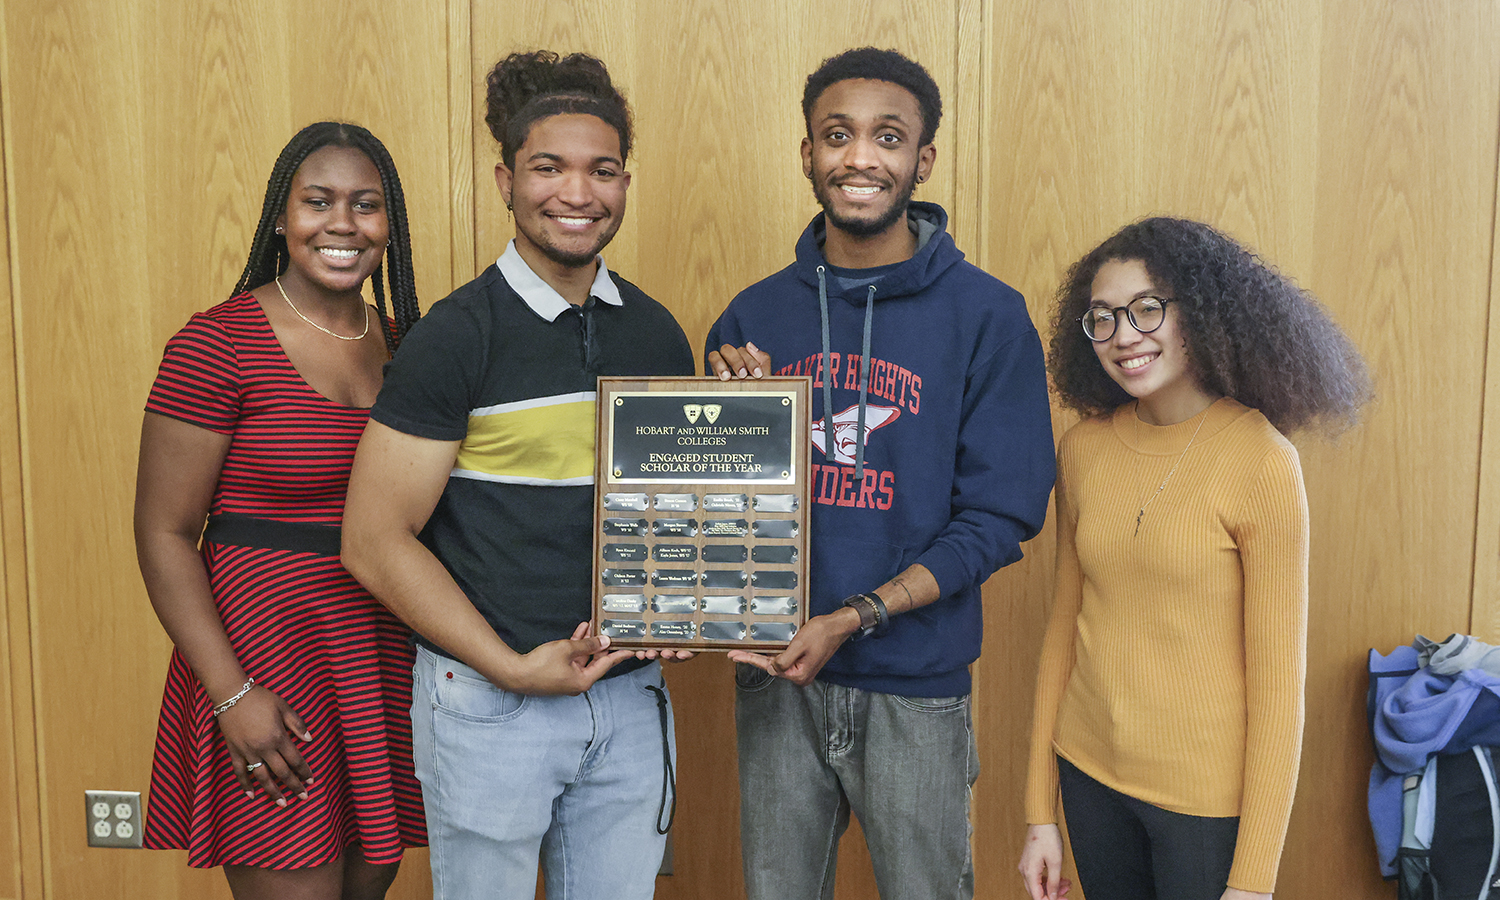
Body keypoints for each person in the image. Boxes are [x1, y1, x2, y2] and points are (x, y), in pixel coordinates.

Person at [340, 51, 694, 900]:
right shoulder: (455, 337)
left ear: (625, 181)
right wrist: (508, 666)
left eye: (601, 170)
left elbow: (673, 516)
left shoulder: (657, 335)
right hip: (490, 705)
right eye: (549, 167)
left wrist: (686, 604)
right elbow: (374, 542)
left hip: (629, 698)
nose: (578, 192)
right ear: (506, 180)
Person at [706, 47, 1056, 900]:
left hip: (917, 689)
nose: (860, 157)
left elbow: (999, 517)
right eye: (838, 135)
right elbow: (712, 511)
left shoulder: (988, 316)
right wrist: (723, 425)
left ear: (921, 160)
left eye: (887, 137)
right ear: (808, 155)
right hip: (777, 680)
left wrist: (854, 617)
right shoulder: (754, 316)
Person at [1018, 216, 1373, 900]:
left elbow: (1278, 693)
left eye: (1146, 309)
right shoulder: (1085, 451)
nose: (1124, 335)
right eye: (1102, 318)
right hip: (1088, 777)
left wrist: (1254, 882)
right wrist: (1041, 812)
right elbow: (1062, 633)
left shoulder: (1262, 460)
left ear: (1199, 315)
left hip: (1202, 807)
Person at [136, 121, 425, 900]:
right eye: (318, 201)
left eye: (365, 205)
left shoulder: (409, 345)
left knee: (372, 879)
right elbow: (162, 534)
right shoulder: (215, 343)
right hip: (265, 663)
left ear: (389, 224)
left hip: (377, 654)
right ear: (280, 217)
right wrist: (231, 696)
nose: (342, 224)